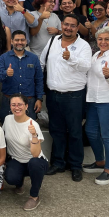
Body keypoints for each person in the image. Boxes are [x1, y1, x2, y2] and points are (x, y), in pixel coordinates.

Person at [40, 14, 91, 182]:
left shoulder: (83, 45)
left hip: (74, 96)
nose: (68, 28)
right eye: (66, 24)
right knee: (57, 130)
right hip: (54, 94)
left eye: (72, 25)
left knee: (75, 131)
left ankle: (76, 165)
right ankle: (58, 162)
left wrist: (71, 58)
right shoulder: (53, 41)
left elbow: (86, 67)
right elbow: (42, 62)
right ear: (62, 25)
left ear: (77, 28)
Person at [82, 27, 109, 185]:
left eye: (106, 39)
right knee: (91, 131)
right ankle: (100, 162)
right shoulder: (96, 54)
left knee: (107, 135)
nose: (103, 42)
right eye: (100, 39)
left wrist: (108, 75)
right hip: (94, 99)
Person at [2, 94, 48, 211]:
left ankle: (34, 196)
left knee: (35, 163)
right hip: (16, 160)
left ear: (26, 106)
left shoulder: (33, 125)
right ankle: (19, 182)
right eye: (13, 105)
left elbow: (36, 154)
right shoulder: (7, 119)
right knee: (11, 178)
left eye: (20, 104)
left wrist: (33, 135)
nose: (17, 107)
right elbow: (1, 138)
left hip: (35, 161)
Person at [0, 30, 44, 122]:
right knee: (7, 130)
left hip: (29, 101)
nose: (19, 42)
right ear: (11, 41)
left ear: (26, 41)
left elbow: (39, 79)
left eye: (22, 40)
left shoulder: (33, 58)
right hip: (9, 101)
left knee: (29, 130)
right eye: (17, 40)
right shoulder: (4, 57)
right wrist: (6, 73)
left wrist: (39, 99)